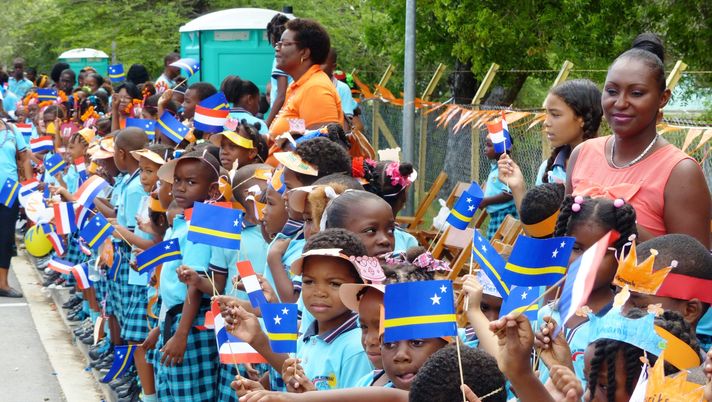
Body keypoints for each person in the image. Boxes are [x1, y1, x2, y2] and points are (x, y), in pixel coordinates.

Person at [566, 33, 711, 245]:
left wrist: (624, 225)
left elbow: (692, 268)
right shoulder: (582, 153)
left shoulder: (680, 173)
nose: (621, 102)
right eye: (612, 91)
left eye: (636, 93)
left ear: (663, 98)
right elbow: (564, 238)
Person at [268, 18, 343, 140]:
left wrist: (284, 142)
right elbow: (301, 130)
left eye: (285, 44)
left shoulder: (315, 88)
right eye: (278, 44)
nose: (277, 48)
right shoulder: (298, 86)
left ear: (304, 53)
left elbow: (322, 145)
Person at [0, 119, 33, 297]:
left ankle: (3, 284)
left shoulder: (12, 129)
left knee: (5, 238)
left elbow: (25, 158)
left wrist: (29, 187)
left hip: (9, 192)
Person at [480, 136, 516, 239]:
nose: (485, 148)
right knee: (493, 245)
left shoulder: (506, 167)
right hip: (497, 215)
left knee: (496, 249)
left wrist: (486, 201)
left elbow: (509, 193)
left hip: (505, 215)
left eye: (489, 145)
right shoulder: (496, 168)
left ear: (501, 149)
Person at [265, 13, 292, 127]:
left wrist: (268, 123)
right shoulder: (291, 55)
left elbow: (281, 95)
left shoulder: (279, 58)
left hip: (283, 114)